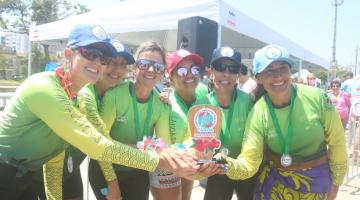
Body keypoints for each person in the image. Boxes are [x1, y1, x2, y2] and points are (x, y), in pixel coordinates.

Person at [0, 24, 197, 200]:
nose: (97, 62)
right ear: (68, 54)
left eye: (103, 58)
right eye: (90, 53)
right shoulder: (45, 87)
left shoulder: (76, 98)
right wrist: (163, 162)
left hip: (22, 175)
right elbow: (99, 147)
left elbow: (55, 160)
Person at [219, 44, 347, 200]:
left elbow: (337, 143)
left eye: (283, 68)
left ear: (290, 72)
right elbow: (249, 162)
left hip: (317, 186)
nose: (278, 76)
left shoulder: (318, 98)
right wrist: (222, 164)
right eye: (270, 71)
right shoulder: (258, 111)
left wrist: (336, 184)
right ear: (259, 78)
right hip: (275, 188)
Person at [89, 40, 186, 200]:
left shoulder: (162, 104)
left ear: (163, 72)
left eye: (158, 67)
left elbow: (163, 147)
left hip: (138, 171)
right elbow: (100, 145)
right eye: (144, 64)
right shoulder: (113, 96)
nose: (151, 70)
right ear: (135, 67)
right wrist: (112, 183)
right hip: (105, 169)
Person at [193, 46, 256, 200]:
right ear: (211, 71)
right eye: (221, 67)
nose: (226, 74)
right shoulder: (202, 105)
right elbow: (203, 148)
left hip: (245, 169)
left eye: (233, 69)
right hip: (217, 170)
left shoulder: (248, 101)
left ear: (238, 75)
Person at [148, 49, 208, 200]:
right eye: (181, 70)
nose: (189, 74)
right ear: (171, 76)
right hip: (166, 161)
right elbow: (166, 148)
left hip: (189, 159)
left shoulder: (203, 91)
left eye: (193, 69)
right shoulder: (166, 103)